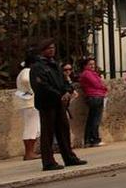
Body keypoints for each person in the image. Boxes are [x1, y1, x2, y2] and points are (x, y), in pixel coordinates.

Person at [29, 39, 86, 171]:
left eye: (53, 48)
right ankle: (48, 162)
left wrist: (68, 91)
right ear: (42, 50)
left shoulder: (54, 64)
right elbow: (41, 86)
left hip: (60, 103)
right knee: (48, 133)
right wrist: (59, 94)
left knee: (63, 130)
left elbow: (63, 81)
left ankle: (69, 157)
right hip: (47, 103)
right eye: (48, 48)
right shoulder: (38, 67)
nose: (52, 50)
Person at [76, 58, 108, 147]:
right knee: (95, 119)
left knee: (92, 119)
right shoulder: (87, 73)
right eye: (90, 64)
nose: (92, 66)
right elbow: (97, 84)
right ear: (85, 66)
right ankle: (95, 139)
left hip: (96, 96)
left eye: (93, 64)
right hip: (95, 96)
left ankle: (88, 140)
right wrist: (104, 87)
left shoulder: (92, 73)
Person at [15, 52, 40, 160]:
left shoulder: (24, 71)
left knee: (34, 127)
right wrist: (34, 85)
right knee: (31, 127)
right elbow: (27, 80)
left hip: (28, 102)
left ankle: (31, 151)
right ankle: (29, 152)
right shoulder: (27, 71)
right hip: (30, 103)